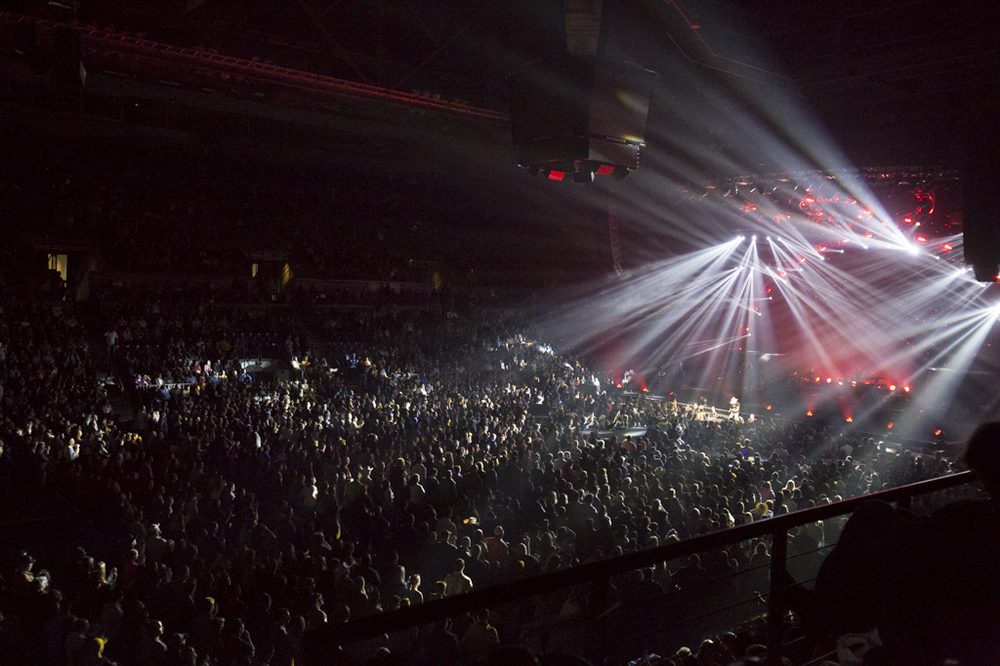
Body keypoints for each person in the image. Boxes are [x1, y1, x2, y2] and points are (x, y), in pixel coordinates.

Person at [803, 421, 1000, 665]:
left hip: (942, 626)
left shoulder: (973, 519)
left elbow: (923, 538)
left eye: (980, 472)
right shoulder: (973, 517)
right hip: (952, 622)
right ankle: (825, 610)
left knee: (872, 513)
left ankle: (823, 610)